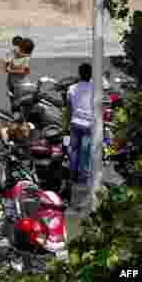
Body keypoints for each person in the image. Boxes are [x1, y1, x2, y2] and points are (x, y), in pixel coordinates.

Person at [67, 62, 95, 206]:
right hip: (89, 125)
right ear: (91, 74)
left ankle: (73, 175)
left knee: (74, 149)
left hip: (75, 123)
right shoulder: (95, 88)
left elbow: (69, 108)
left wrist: (68, 123)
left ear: (79, 73)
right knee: (85, 151)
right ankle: (83, 178)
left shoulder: (72, 88)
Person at [5, 36, 33, 107]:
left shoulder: (26, 56)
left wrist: (11, 70)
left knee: (21, 103)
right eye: (15, 45)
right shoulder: (10, 53)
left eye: (18, 46)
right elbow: (6, 68)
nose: (16, 48)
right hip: (12, 82)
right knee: (14, 104)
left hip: (21, 83)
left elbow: (26, 71)